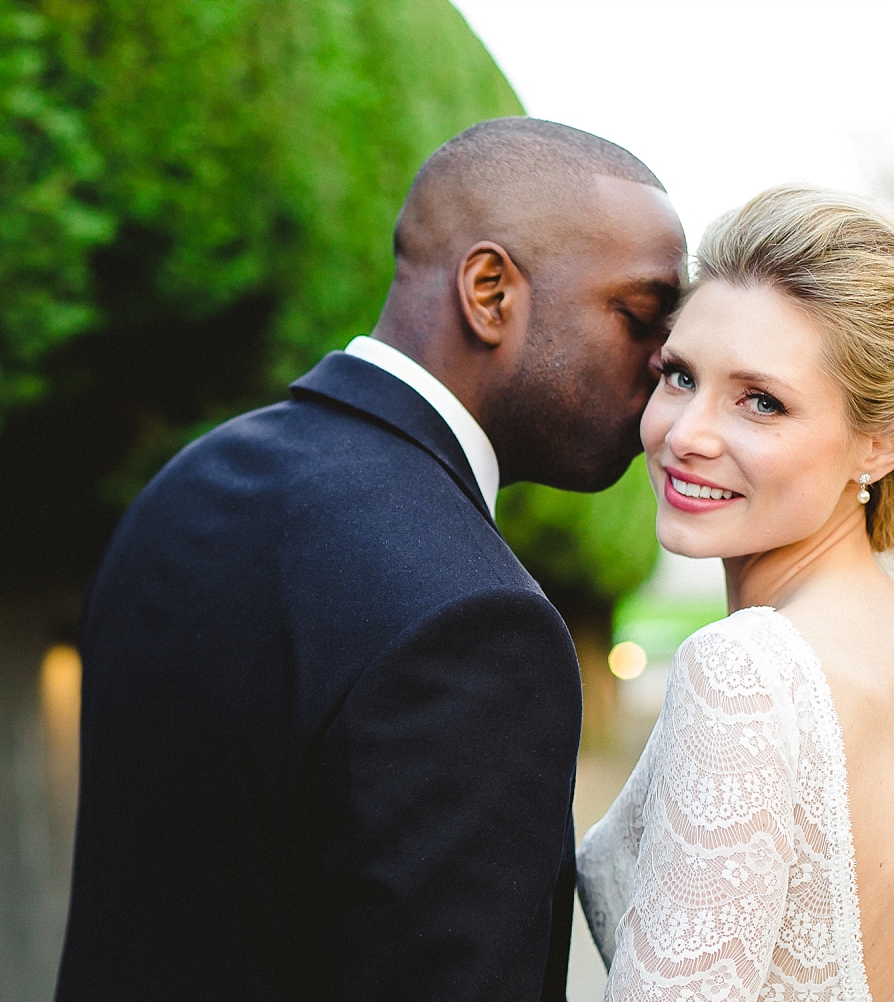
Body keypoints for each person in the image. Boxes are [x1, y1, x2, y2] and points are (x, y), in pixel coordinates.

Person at [54, 117, 686, 1002]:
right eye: (641, 315)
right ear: (492, 291)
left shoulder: (186, 487)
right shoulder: (476, 619)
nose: (667, 364)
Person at [576, 185, 894, 1002]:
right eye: (679, 375)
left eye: (760, 400)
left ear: (883, 439)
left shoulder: (745, 670)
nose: (687, 434)